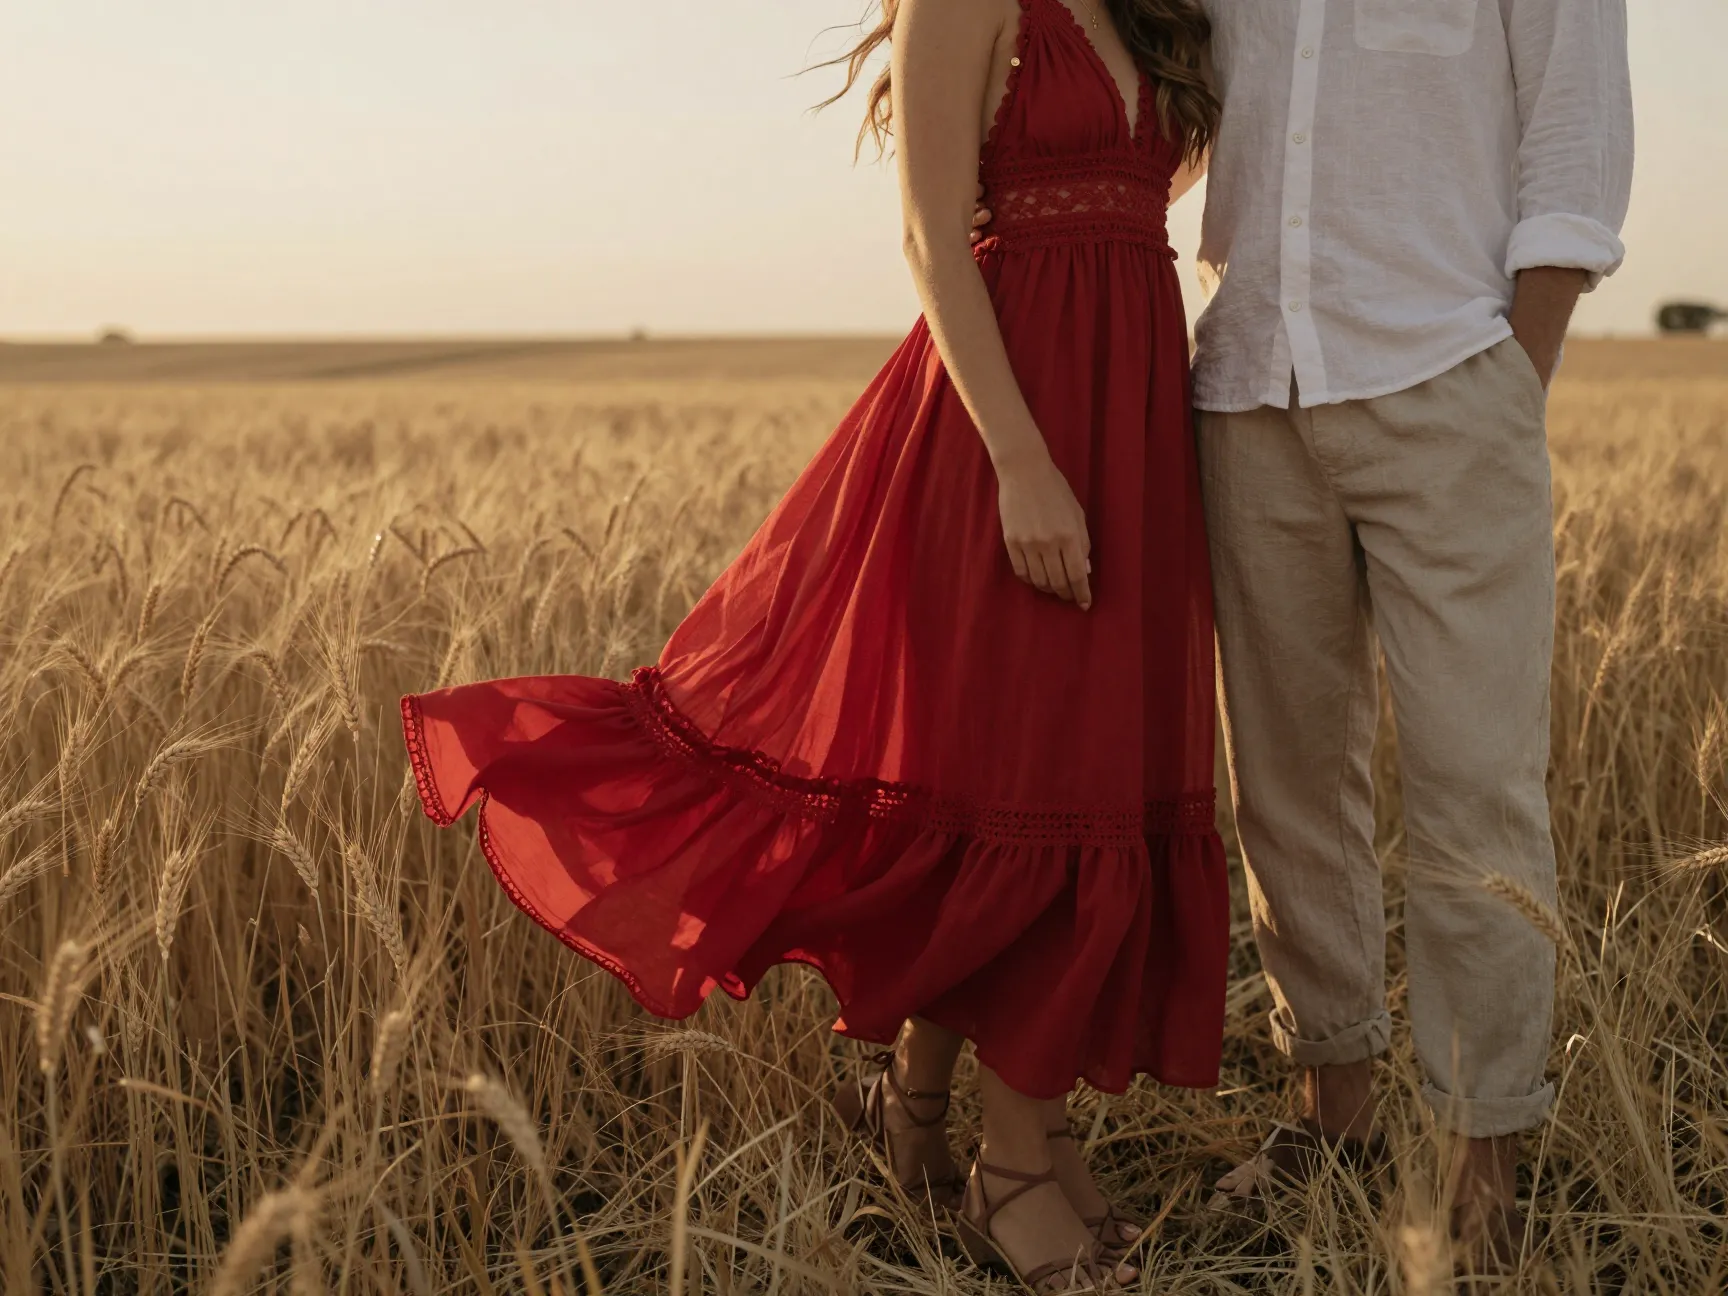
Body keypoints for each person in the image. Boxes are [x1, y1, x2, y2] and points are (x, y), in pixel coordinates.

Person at [401, 0, 1227, 1288]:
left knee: (1061, 776)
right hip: (1013, 425)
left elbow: (1153, 200)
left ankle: (936, 1113)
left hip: (1132, 416)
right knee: (1039, 779)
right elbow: (931, 237)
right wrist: (1022, 463)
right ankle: (1013, 1168)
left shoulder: (1150, 9)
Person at [982, 0, 1633, 1266]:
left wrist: (1513, 374)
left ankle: (1479, 1163)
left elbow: (1576, 136)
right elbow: (1166, 104)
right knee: (1283, 789)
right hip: (1246, 390)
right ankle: (1332, 1115)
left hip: (1446, 381)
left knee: (1477, 789)